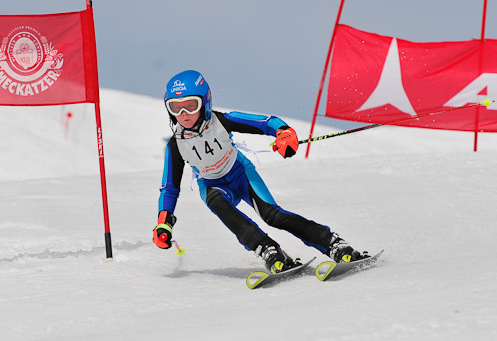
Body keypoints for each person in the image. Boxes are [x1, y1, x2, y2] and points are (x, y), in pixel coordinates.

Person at [152, 70, 366, 273]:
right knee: (216, 201)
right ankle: (269, 250)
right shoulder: (175, 145)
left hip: (240, 174)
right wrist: (164, 222)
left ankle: (333, 243)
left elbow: (267, 123)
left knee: (273, 216)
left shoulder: (221, 121)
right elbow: (170, 188)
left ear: (205, 102)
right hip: (211, 184)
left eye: (191, 105)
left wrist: (283, 133)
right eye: (175, 107)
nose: (183, 114)